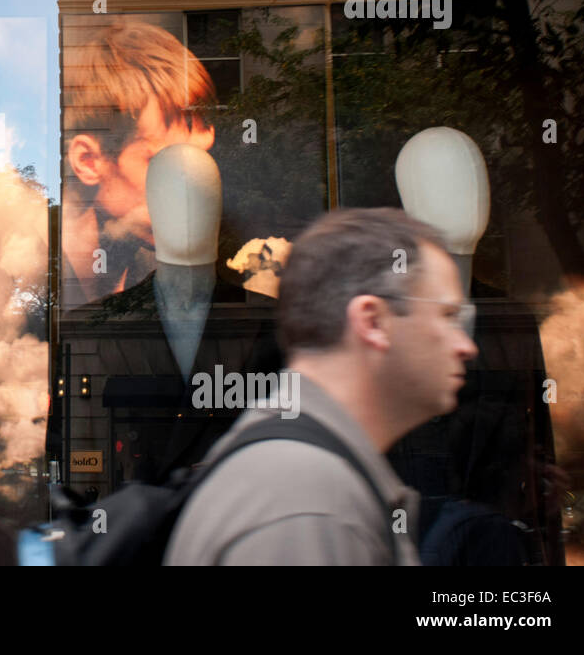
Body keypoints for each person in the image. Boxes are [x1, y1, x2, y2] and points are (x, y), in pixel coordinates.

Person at [165, 208, 478, 565]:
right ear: (373, 321)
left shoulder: (304, 480)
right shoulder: (309, 502)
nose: (466, 346)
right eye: (448, 316)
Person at [61, 19, 215, 307]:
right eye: (164, 164)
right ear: (89, 161)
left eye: (200, 161)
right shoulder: (16, 280)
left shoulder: (157, 275)